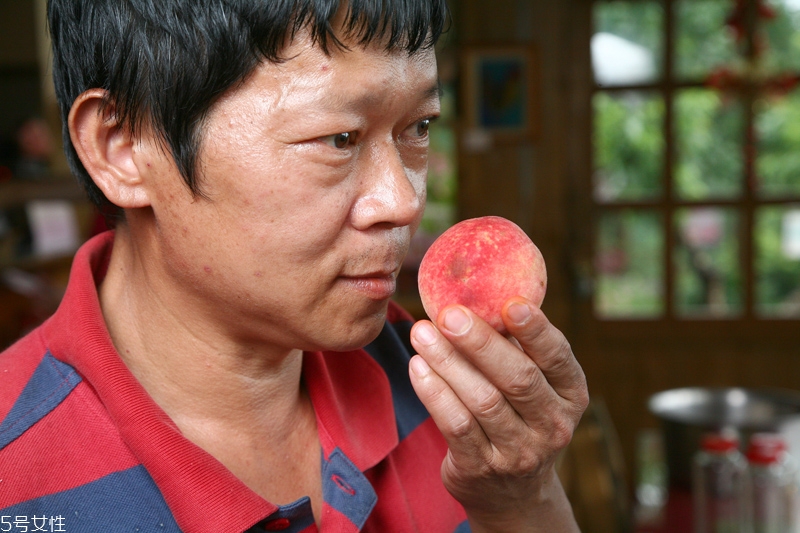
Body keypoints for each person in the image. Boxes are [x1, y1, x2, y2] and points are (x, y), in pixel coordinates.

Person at [0, 1, 589, 531]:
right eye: (338, 137)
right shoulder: (14, 476)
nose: (406, 202)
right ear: (123, 147)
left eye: (419, 126)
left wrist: (521, 501)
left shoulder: (450, 394)